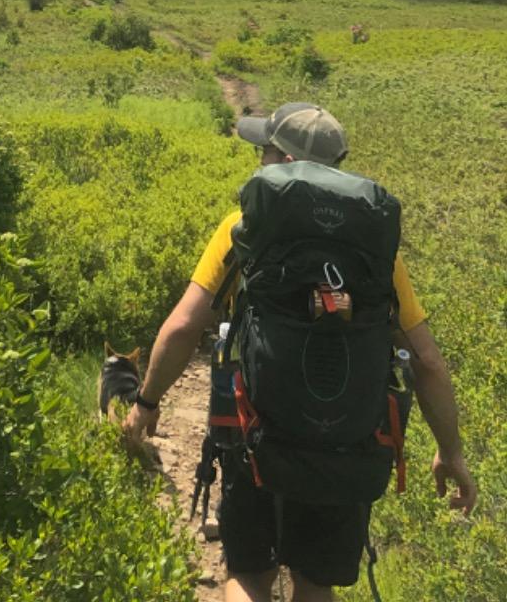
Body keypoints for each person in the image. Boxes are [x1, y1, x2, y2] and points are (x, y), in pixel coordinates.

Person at [122, 101, 477, 602]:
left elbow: (184, 325)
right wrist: (451, 451)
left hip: (254, 433)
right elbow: (428, 362)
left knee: (248, 577)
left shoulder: (242, 227)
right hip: (348, 444)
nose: (260, 158)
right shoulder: (376, 248)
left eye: (265, 150)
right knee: (315, 584)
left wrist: (148, 402)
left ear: (283, 161)